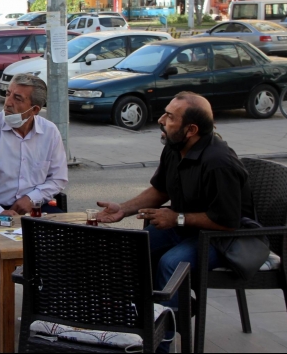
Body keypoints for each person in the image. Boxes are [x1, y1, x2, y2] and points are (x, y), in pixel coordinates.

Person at [97, 91, 254, 352]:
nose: (161, 120)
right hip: (186, 226)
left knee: (171, 263)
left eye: (170, 117)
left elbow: (228, 222)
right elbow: (161, 191)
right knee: (130, 249)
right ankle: (141, 323)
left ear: (191, 129)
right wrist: (122, 209)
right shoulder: (174, 148)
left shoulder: (219, 163)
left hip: (223, 238)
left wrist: (178, 218)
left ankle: (162, 343)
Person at [0, 73, 68, 340]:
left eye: (17, 98)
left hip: (34, 206)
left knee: (64, 241)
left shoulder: (49, 132)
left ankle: (48, 311)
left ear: (34, 109)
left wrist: (32, 198)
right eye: (8, 94)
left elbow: (58, 178)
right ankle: (1, 312)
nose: (8, 102)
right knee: (0, 251)